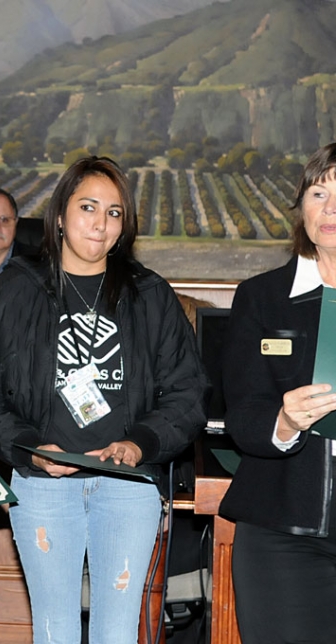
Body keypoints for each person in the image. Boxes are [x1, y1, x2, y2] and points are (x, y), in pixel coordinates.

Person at [0, 156, 207, 643]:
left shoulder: (150, 294)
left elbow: (187, 393)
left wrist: (140, 443)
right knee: (54, 630)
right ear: (59, 216)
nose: (101, 223)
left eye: (115, 212)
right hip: (41, 484)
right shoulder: (15, 289)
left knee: (117, 633)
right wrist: (30, 446)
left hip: (126, 485)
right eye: (88, 207)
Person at [218, 142, 336, 643]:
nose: (330, 208)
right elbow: (241, 416)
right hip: (283, 537)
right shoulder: (261, 297)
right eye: (318, 192)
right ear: (302, 208)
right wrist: (284, 423)